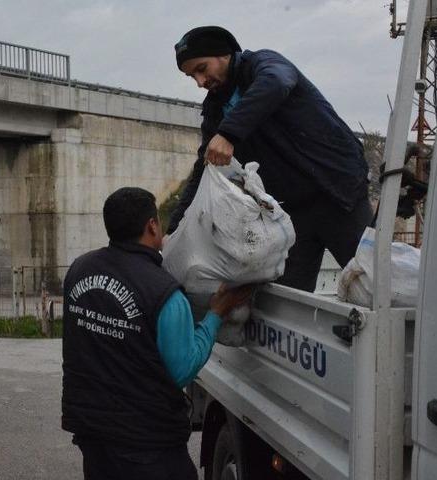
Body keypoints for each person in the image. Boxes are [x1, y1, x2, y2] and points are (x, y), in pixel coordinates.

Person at [61, 187, 253, 480]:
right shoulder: (163, 292)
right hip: (147, 442)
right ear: (152, 226)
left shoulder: (79, 270)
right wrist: (216, 313)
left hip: (92, 432)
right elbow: (182, 369)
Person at [166, 26, 372, 292]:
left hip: (337, 196)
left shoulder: (263, 65)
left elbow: (277, 82)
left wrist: (229, 134)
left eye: (202, 68)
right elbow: (204, 168)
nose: (200, 81)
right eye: (191, 76)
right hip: (290, 213)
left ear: (225, 54)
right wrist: (173, 229)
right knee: (289, 305)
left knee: (371, 285)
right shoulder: (216, 107)